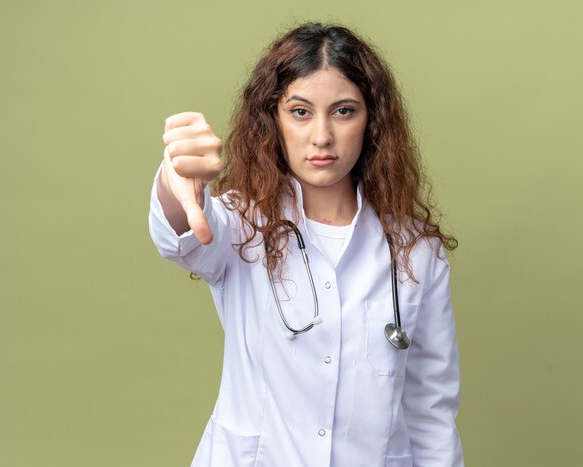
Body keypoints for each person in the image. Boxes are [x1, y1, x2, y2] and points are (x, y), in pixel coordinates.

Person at [149, 22, 463, 467]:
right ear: (272, 118)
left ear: (372, 121)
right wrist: (175, 178)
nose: (321, 136)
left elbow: (431, 410)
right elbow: (182, 234)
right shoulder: (241, 223)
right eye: (300, 111)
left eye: (343, 111)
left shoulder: (416, 251)